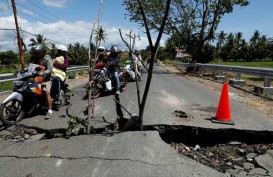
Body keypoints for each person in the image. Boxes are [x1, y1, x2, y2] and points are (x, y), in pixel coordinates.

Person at [31, 44, 53, 119]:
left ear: (43, 52)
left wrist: (43, 73)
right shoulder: (36, 59)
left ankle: (50, 110)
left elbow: (50, 69)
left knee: (47, 92)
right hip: (38, 78)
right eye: (36, 52)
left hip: (47, 79)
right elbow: (31, 66)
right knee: (33, 90)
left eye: (38, 52)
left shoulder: (47, 59)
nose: (37, 54)